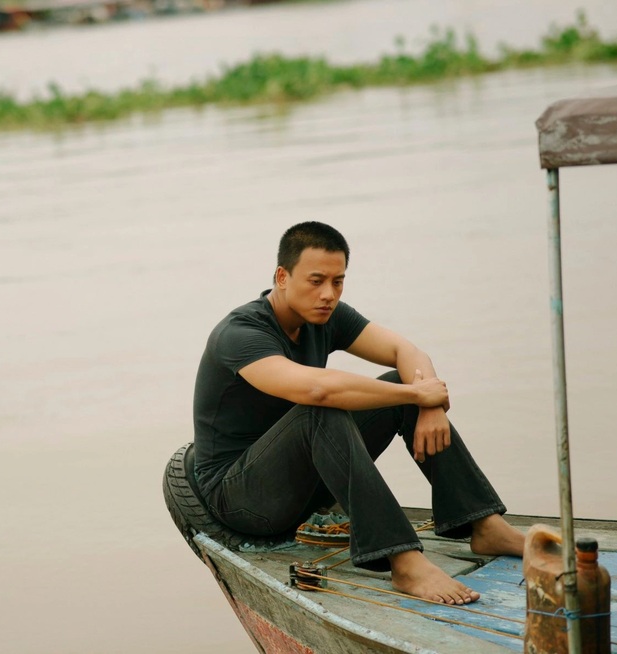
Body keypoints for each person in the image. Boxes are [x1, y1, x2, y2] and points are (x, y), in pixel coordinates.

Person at [192, 221, 525, 605]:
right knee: (325, 409)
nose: (328, 294)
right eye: (316, 281)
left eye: (338, 281)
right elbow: (316, 388)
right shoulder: (240, 332)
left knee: (394, 385)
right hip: (241, 497)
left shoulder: (326, 316)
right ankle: (403, 561)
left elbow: (406, 351)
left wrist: (426, 401)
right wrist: (417, 391)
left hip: (304, 482)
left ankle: (485, 524)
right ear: (282, 277)